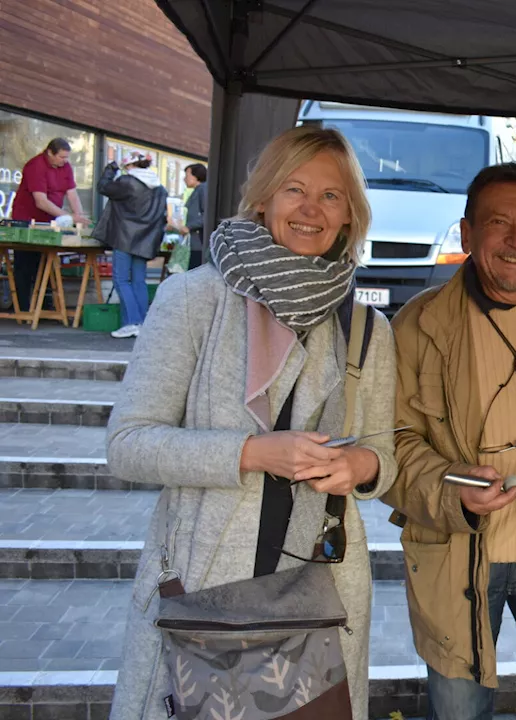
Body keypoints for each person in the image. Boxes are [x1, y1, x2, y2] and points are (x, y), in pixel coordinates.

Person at [105, 125, 397, 720]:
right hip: (203, 586)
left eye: (331, 196)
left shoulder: (369, 328)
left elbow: (384, 457)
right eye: (294, 189)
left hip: (321, 594)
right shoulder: (195, 299)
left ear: (349, 217)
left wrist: (357, 466)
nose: (311, 208)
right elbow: (128, 444)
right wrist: (252, 453)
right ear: (262, 198)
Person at [383, 163, 516, 720]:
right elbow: (392, 443)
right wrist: (453, 489)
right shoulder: (419, 325)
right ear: (466, 233)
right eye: (498, 223)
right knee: (459, 713)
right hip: (459, 556)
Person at [93, 153, 169, 339]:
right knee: (139, 281)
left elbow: (103, 187)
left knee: (121, 279)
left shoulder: (127, 182)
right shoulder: (159, 188)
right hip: (145, 240)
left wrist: (110, 169)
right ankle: (142, 323)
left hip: (124, 237)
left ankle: (131, 323)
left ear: (130, 166)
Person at [9, 138, 88, 311]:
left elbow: (72, 194)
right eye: (61, 157)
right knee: (25, 263)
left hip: (50, 220)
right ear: (50, 153)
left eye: (67, 158)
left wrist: (80, 218)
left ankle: (43, 306)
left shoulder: (65, 167)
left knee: (45, 263)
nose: (64, 161)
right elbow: (41, 202)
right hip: (26, 219)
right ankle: (22, 307)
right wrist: (69, 217)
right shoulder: (35, 166)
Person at [180, 162, 208, 268]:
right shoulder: (198, 190)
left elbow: (207, 215)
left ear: (196, 176)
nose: (184, 179)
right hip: (195, 241)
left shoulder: (203, 189)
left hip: (199, 242)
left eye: (187, 175)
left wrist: (189, 226)